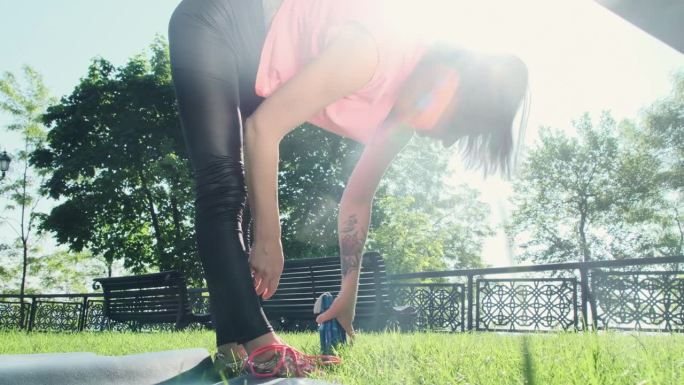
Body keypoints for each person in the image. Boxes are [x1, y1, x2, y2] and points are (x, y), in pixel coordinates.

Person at [168, 0, 529, 378]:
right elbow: (263, 129)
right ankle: (262, 347)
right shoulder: (372, 52)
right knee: (223, 185)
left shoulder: (404, 117)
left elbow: (358, 198)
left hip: (255, 67)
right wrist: (269, 237)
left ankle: (233, 349)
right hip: (217, 21)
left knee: (234, 193)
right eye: (455, 126)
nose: (446, 143)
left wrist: (348, 295)